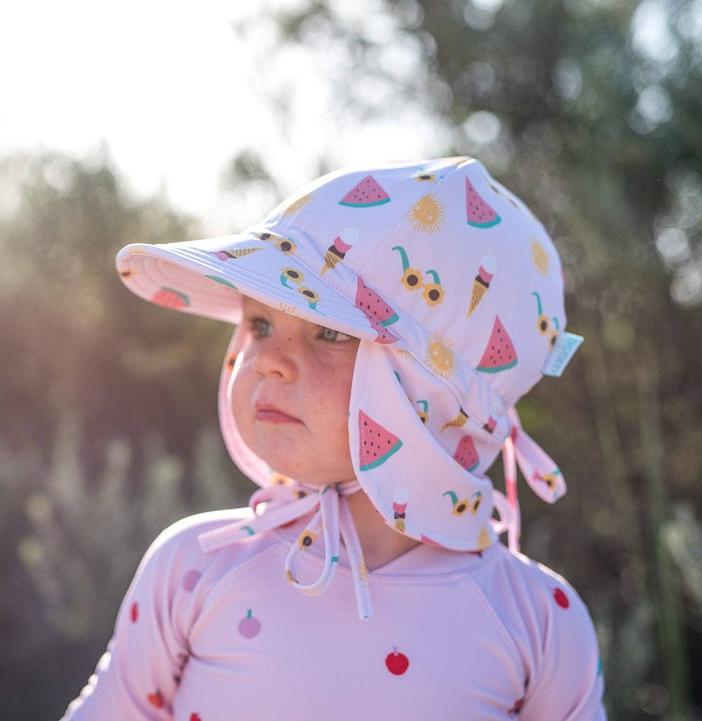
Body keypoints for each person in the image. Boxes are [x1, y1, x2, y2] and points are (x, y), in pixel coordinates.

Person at [60, 157, 605, 719]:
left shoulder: (537, 620)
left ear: (439, 396)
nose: (268, 362)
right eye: (260, 325)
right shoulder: (196, 565)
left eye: (330, 332)